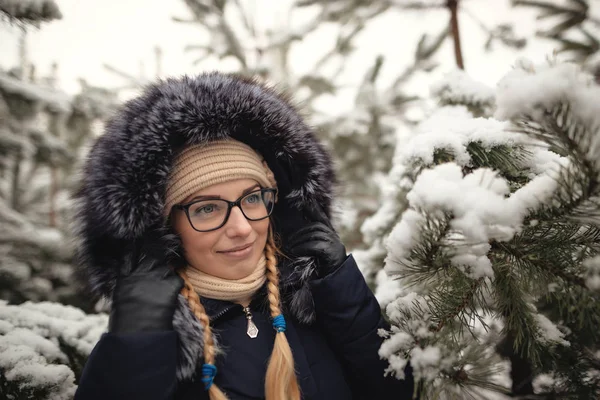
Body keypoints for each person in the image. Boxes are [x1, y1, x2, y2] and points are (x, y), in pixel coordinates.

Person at [72, 72, 415, 400]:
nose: (241, 227)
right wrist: (136, 340)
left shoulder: (312, 298)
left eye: (252, 198)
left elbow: (396, 391)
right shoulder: (162, 331)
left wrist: (343, 292)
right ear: (164, 227)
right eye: (207, 208)